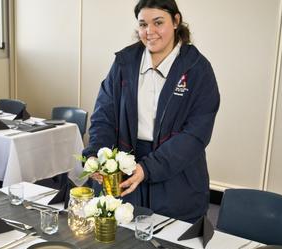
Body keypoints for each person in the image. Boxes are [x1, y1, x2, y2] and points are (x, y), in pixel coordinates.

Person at [83, 0, 220, 222]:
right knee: (122, 246)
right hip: (126, 170)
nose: (150, 32)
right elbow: (103, 117)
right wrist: (97, 155)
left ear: (176, 21)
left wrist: (147, 168)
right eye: (143, 24)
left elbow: (195, 135)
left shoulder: (198, 69)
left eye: (158, 23)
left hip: (176, 173)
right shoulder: (124, 63)